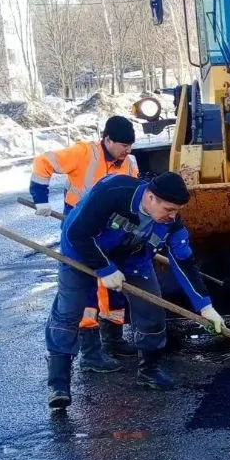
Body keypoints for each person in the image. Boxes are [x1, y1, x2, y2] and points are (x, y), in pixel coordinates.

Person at [43, 171, 226, 411]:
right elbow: (77, 234)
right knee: (68, 312)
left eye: (177, 211)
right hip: (81, 253)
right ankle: (59, 385)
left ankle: (149, 371)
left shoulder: (171, 223)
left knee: (152, 311)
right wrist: (105, 268)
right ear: (150, 198)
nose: (173, 216)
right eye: (169, 209)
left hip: (133, 259)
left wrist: (205, 306)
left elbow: (184, 262)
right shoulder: (113, 193)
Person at [30, 116, 142, 371]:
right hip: (79, 229)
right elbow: (43, 162)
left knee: (114, 282)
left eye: (130, 145)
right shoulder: (83, 153)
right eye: (123, 145)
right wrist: (40, 200)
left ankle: (113, 339)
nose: (128, 150)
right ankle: (91, 354)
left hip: (110, 231)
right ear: (107, 140)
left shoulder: (130, 162)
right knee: (87, 286)